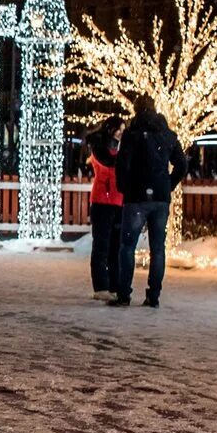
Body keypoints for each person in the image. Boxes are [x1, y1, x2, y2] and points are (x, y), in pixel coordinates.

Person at [111, 97, 187, 308]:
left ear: (136, 110)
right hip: (160, 199)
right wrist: (168, 185)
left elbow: (123, 164)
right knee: (158, 248)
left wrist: (124, 187)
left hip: (136, 197)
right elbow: (181, 164)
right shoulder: (167, 135)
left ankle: (124, 294)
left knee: (127, 246)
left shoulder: (132, 134)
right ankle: (153, 295)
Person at [85, 115, 125, 299]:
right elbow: (107, 164)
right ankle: (101, 286)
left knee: (115, 246)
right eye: (119, 129)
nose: (121, 133)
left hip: (118, 201)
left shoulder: (121, 148)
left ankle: (115, 285)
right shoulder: (99, 146)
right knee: (101, 245)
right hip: (102, 201)